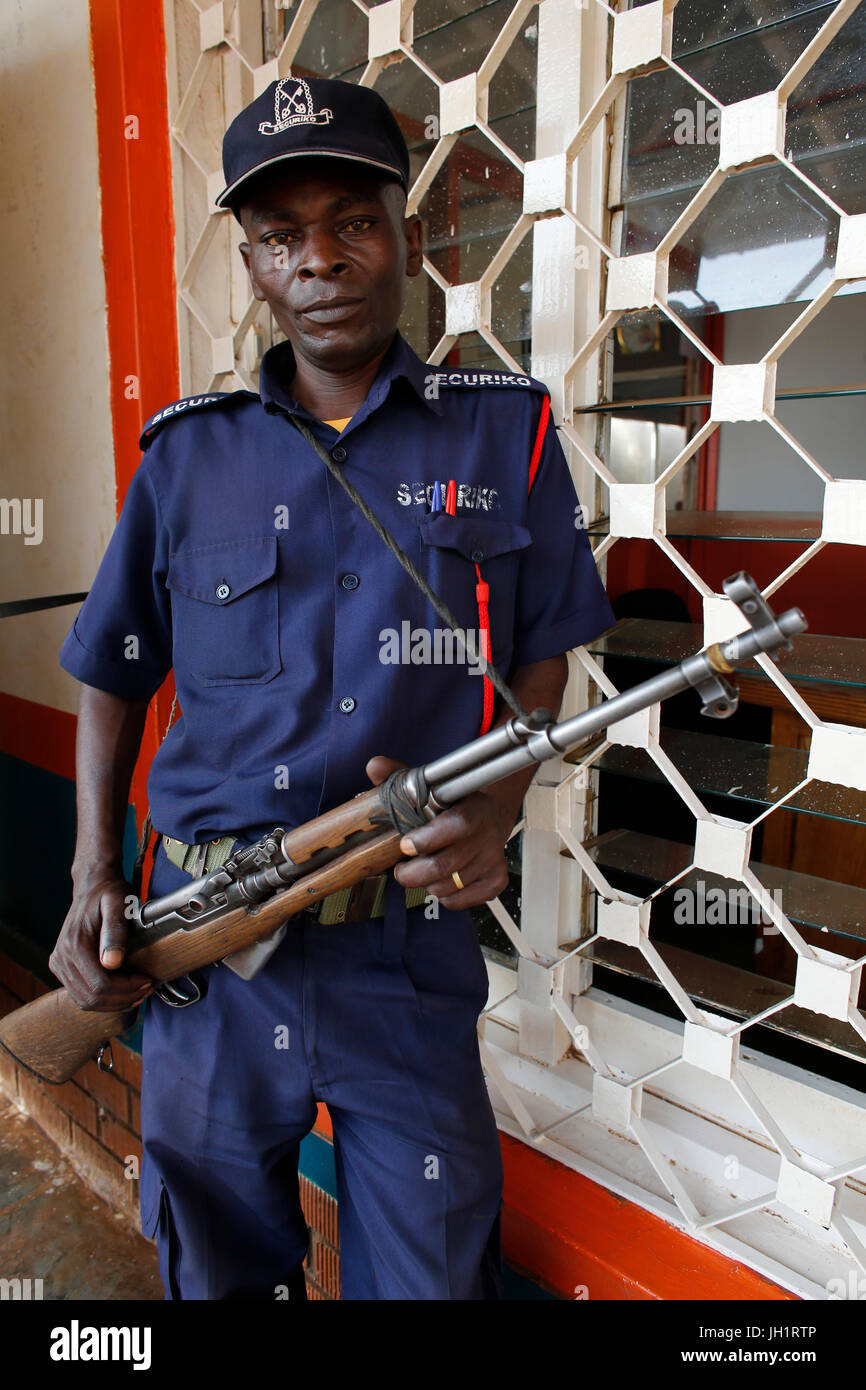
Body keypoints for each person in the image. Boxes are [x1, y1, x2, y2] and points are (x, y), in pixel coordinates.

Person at [50, 75, 615, 1300]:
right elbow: (111, 668)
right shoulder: (187, 456)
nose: (321, 260)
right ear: (253, 267)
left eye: (352, 222)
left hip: (403, 954)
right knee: (220, 1263)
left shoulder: (501, 435)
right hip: (205, 954)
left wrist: (502, 806)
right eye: (281, 237)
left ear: (404, 235)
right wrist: (95, 873)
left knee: (429, 1269)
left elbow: (545, 646)